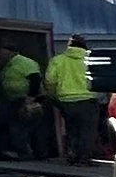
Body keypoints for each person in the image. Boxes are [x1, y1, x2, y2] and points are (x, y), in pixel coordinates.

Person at [41, 37, 98, 165]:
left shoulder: (58, 60)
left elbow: (50, 80)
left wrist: (52, 94)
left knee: (71, 128)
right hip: (88, 100)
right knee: (87, 131)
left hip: (66, 101)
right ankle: (84, 158)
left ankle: (72, 154)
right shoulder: (91, 60)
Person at [0, 40, 39, 160]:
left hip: (26, 99)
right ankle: (18, 151)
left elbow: (35, 79)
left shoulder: (24, 62)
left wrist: (31, 97)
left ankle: (25, 153)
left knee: (21, 126)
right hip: (13, 99)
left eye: (1, 52)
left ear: (11, 52)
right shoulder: (8, 64)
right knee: (12, 125)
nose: (0, 54)